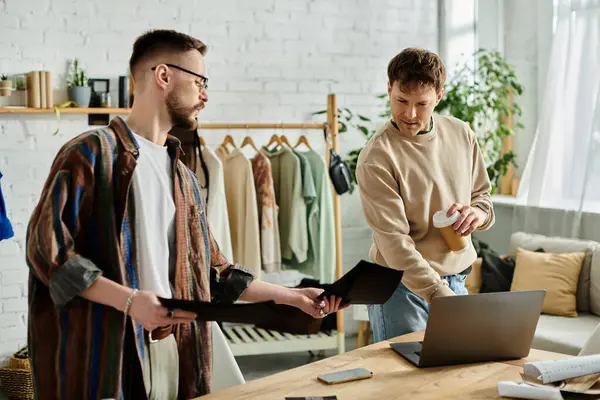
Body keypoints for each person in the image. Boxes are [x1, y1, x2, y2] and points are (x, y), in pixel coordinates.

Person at [25, 29, 344, 400]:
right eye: (199, 82)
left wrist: (292, 296)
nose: (205, 95)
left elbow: (216, 271)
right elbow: (47, 251)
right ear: (163, 76)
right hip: (108, 354)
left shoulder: (184, 176)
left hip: (176, 350)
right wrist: (129, 301)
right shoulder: (92, 152)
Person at [356, 48, 495, 342]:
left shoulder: (461, 134)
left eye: (422, 104)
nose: (409, 114)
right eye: (401, 101)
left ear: (439, 96)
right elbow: (394, 244)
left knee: (457, 378)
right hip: (399, 287)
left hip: (454, 281)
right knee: (406, 385)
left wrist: (477, 214)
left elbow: (482, 196)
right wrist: (436, 292)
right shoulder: (377, 157)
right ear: (389, 89)